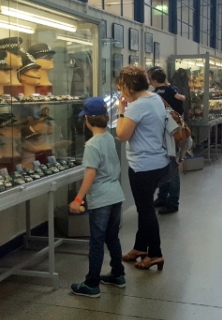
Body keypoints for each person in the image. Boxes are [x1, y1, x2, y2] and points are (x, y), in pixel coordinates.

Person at [69, 97, 126, 298]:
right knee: (112, 237)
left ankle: (92, 283)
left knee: (96, 242)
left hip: (101, 199)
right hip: (116, 194)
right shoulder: (109, 137)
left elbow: (91, 174)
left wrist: (78, 200)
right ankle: (118, 274)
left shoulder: (92, 145)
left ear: (86, 119)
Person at [116, 65, 168, 270]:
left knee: (146, 211)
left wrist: (121, 112)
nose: (121, 93)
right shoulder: (154, 98)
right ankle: (140, 247)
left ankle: (155, 253)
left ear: (129, 86)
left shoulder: (136, 107)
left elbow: (122, 135)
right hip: (158, 162)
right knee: (144, 208)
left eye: (122, 88)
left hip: (143, 166)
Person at [149, 68, 185, 215]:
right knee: (166, 168)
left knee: (172, 169)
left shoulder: (154, 95)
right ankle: (163, 198)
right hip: (172, 132)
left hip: (170, 134)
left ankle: (172, 201)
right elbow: (181, 99)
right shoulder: (172, 90)